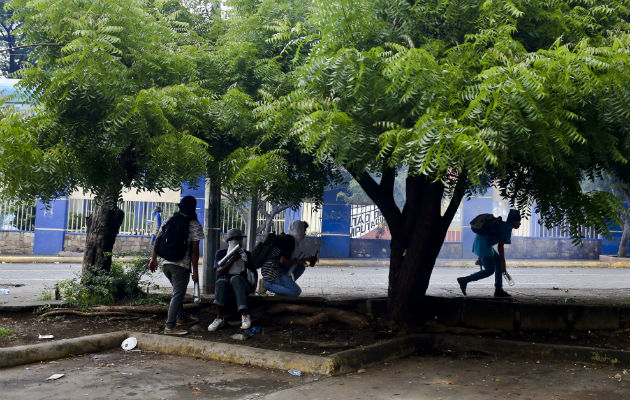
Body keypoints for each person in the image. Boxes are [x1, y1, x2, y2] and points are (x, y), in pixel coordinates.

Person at [149, 196, 204, 335]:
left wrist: (153, 258)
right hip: (180, 266)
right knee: (178, 295)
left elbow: (158, 239)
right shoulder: (194, 225)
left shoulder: (170, 219)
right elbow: (194, 252)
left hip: (165, 264)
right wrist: (195, 271)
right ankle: (169, 327)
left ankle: (181, 318)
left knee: (176, 293)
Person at [457, 209, 521, 298]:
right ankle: (464, 280)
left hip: (481, 243)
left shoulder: (503, 224)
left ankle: (498, 289)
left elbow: (487, 235)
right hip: (484, 246)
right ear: (513, 221)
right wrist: (504, 263)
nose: (520, 224)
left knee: (498, 264)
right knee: (490, 270)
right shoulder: (507, 228)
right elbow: (500, 246)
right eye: (518, 221)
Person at [208, 228, 256, 332]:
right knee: (220, 282)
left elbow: (253, 270)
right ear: (229, 240)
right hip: (226, 285)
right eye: (235, 239)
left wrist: (245, 260)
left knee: (236, 278)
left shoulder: (246, 253)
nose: (238, 241)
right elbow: (218, 272)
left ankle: (245, 315)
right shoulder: (221, 253)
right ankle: (219, 318)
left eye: (239, 238)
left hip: (241, 285)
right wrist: (232, 260)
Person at [261, 221, 317, 297]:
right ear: (299, 230)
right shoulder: (289, 241)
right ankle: (266, 284)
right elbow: (282, 260)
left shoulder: (288, 239)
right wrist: (299, 262)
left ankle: (281, 290)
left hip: (275, 268)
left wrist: (305, 259)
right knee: (296, 291)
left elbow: (288, 259)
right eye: (304, 231)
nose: (304, 234)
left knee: (300, 267)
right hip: (272, 272)